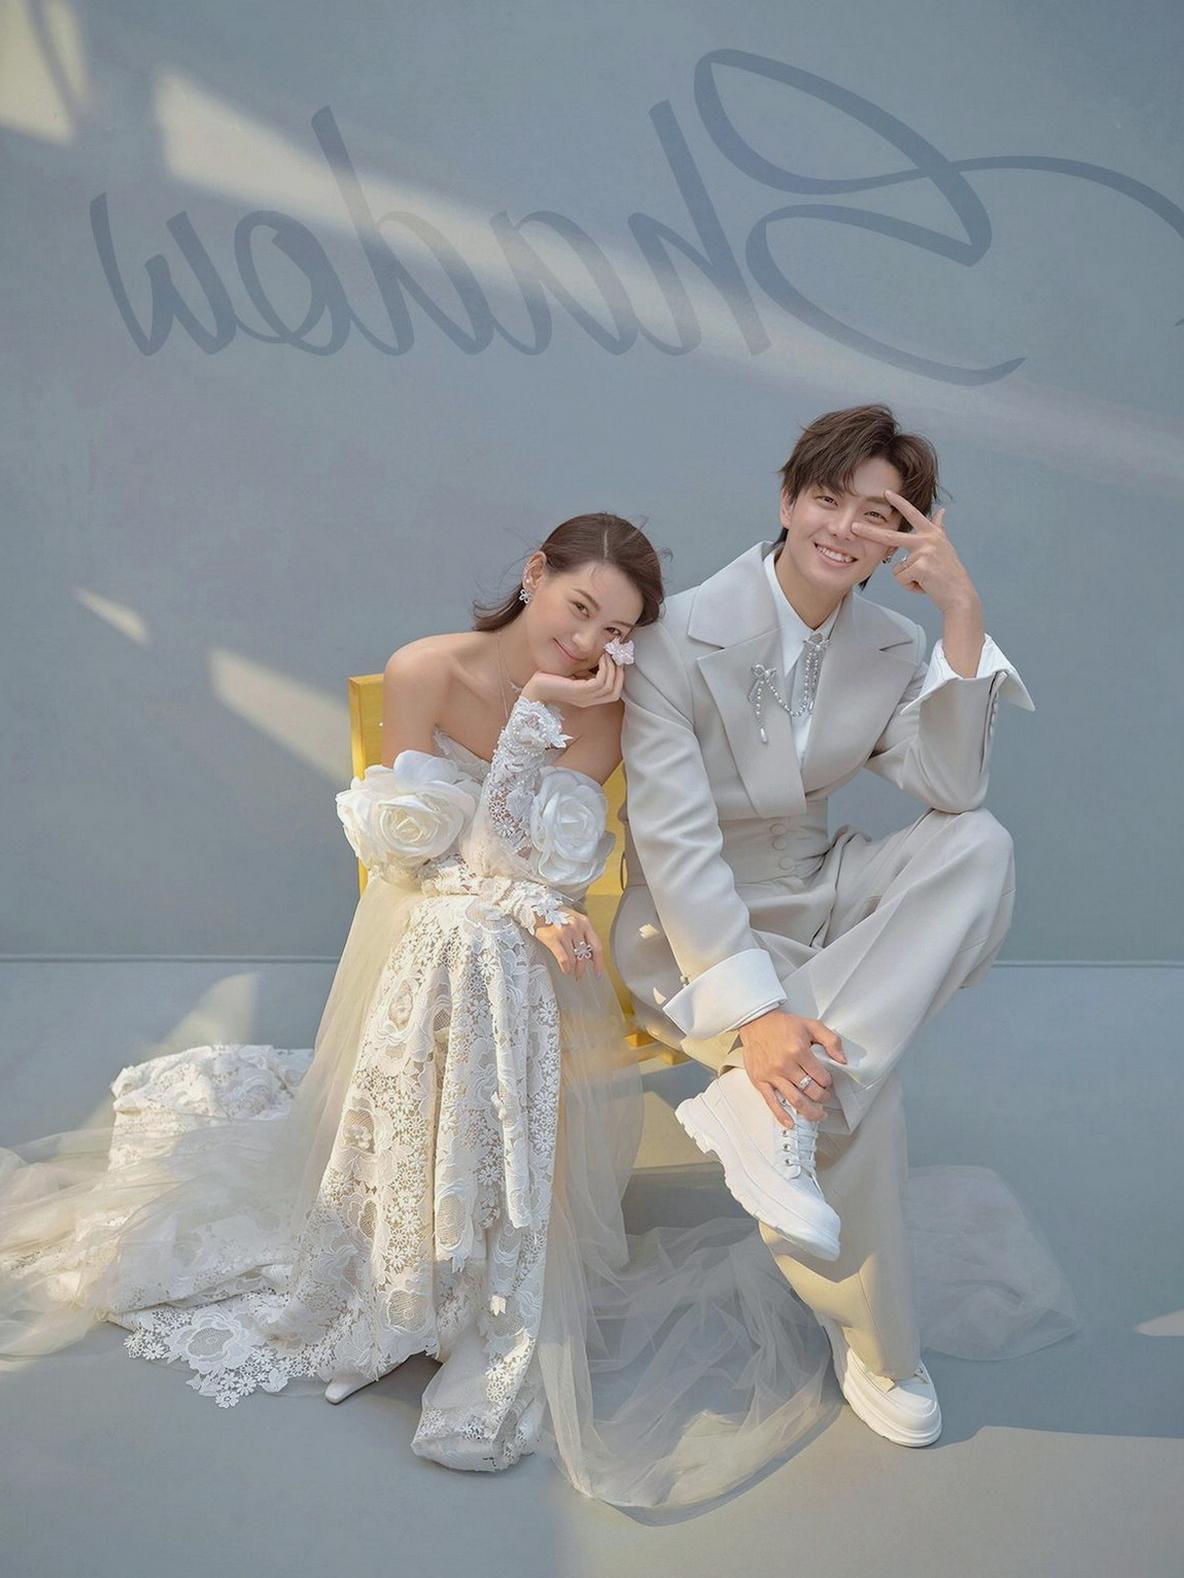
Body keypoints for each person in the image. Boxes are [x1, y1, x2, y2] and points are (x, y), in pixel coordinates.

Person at [0, 503, 1078, 1512]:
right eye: (578, 609)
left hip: (524, 934)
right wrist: (530, 737)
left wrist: (554, 755)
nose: (587, 642)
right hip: (424, 917)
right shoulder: (426, 668)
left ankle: (502, 1275)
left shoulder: (607, 712)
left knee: (510, 945)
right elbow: (410, 849)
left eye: (614, 631)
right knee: (474, 933)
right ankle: (419, 1266)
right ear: (534, 575)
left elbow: (545, 859)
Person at [612, 403, 1078, 1447]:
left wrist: (961, 614)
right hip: (693, 924)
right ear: (787, 501)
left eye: (876, 514)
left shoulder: (892, 642)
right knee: (859, 1107)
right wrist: (757, 1018)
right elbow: (675, 846)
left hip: (821, 886)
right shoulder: (674, 635)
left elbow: (950, 788)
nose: (843, 528)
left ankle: (779, 1104)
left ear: (902, 536)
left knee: (979, 846)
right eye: (826, 499)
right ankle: (879, 1343)